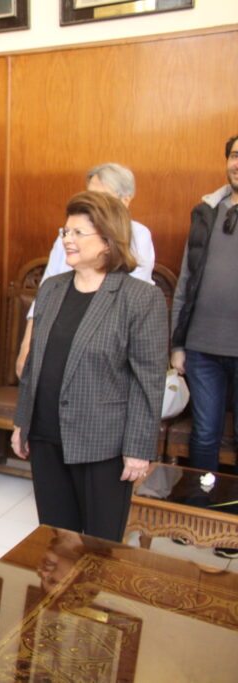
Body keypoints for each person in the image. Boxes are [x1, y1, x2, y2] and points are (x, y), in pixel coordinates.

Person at [12, 191, 166, 542]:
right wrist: (22, 422)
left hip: (103, 444)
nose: (67, 239)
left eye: (78, 233)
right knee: (57, 538)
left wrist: (138, 449)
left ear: (109, 241)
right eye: (65, 231)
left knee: (100, 547)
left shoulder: (140, 298)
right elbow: (35, 364)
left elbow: (148, 381)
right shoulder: (52, 289)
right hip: (45, 434)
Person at [16, 163, 155, 377]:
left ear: (126, 200)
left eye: (103, 196)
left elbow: (135, 302)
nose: (94, 203)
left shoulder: (138, 235)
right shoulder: (67, 236)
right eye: (90, 195)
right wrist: (27, 342)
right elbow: (46, 288)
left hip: (105, 350)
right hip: (60, 334)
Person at [170, 135, 238, 557]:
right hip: (201, 347)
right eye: (235, 155)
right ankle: (197, 513)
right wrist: (177, 343)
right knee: (206, 434)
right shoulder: (207, 211)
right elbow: (186, 280)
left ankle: (232, 523)